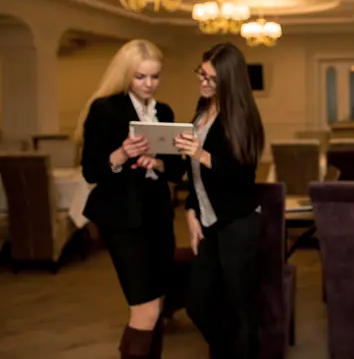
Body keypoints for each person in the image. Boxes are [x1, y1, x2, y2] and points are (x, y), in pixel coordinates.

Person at [76, 39, 184, 359]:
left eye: (155, 77)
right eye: (140, 77)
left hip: (159, 215)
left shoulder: (164, 112)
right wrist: (123, 153)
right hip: (123, 218)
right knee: (145, 309)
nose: (149, 84)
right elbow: (91, 171)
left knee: (158, 304)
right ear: (126, 75)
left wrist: (159, 162)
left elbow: (176, 168)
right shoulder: (106, 109)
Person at [175, 42, 265, 358]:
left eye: (211, 78)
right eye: (201, 74)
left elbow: (241, 176)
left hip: (238, 223)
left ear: (229, 80)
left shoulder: (243, 117)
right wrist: (189, 210)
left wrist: (200, 153)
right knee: (199, 303)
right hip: (209, 224)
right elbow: (194, 175)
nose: (203, 82)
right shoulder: (202, 112)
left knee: (242, 310)